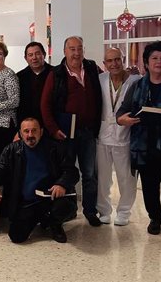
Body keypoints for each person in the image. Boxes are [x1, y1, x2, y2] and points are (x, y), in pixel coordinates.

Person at [116, 41, 161, 237]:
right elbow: (120, 114)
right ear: (146, 62)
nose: (159, 62)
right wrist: (124, 119)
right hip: (145, 145)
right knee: (149, 185)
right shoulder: (137, 85)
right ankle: (154, 218)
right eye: (154, 58)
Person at [41, 36, 102, 226]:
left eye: (79, 49)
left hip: (88, 132)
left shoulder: (92, 68)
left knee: (90, 174)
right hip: (65, 133)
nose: (76, 53)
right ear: (65, 51)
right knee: (66, 172)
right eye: (72, 49)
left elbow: (109, 84)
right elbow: (45, 104)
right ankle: (67, 210)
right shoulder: (56, 73)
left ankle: (90, 211)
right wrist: (53, 129)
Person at [0, 118, 79, 244]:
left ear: (41, 132)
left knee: (64, 207)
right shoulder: (11, 150)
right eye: (26, 131)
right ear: (20, 133)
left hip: (51, 199)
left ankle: (55, 224)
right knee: (16, 236)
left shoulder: (55, 148)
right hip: (28, 203)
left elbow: (72, 171)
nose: (30, 135)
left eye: (34, 131)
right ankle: (43, 219)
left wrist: (61, 184)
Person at [96, 48, 140, 226]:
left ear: (123, 60)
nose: (113, 64)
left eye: (117, 60)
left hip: (125, 136)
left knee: (126, 178)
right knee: (103, 178)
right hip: (102, 135)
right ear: (104, 64)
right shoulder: (100, 80)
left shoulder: (135, 81)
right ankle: (104, 211)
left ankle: (124, 212)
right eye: (109, 61)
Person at [17, 42, 52, 124]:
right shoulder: (19, 77)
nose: (34, 57)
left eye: (37, 54)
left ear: (44, 55)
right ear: (25, 58)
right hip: (27, 125)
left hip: (51, 122)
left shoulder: (55, 73)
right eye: (30, 55)